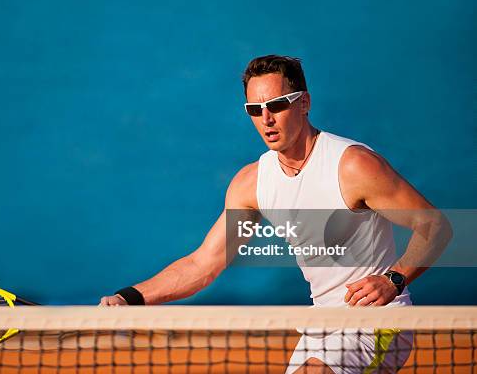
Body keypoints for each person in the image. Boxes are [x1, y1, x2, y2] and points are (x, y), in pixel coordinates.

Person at [99, 55, 449, 373]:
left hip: (378, 324)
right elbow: (203, 263)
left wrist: (394, 279)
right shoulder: (252, 183)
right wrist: (131, 297)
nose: (266, 118)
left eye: (278, 104)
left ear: (304, 103)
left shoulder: (353, 166)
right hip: (321, 326)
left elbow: (436, 226)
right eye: (255, 109)